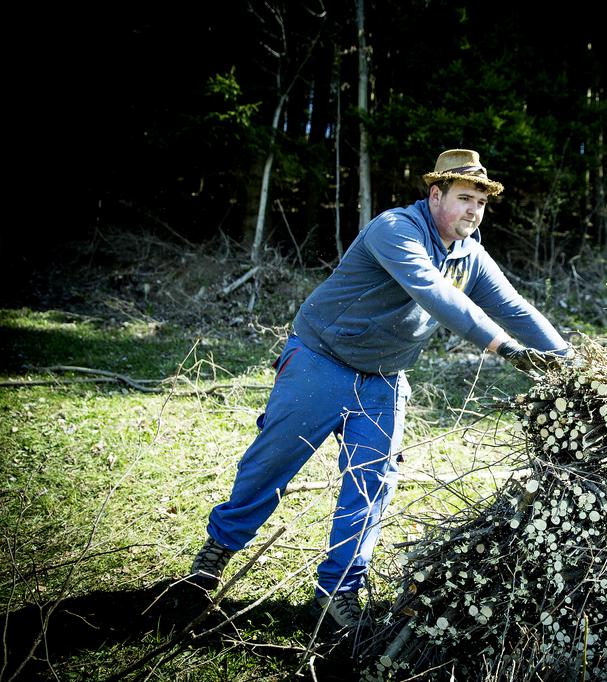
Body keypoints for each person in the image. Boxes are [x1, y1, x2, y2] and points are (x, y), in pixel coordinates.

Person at [186, 149, 570, 633]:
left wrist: (571, 364)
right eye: (464, 198)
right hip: (320, 360)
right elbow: (434, 293)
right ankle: (216, 554)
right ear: (435, 195)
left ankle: (338, 591)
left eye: (481, 203)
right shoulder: (395, 230)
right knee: (273, 462)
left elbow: (512, 307)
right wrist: (506, 350)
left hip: (385, 378)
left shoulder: (470, 255)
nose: (473, 210)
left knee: (372, 482)